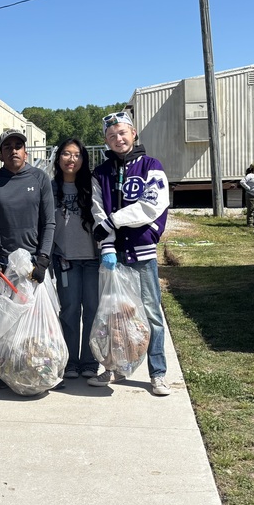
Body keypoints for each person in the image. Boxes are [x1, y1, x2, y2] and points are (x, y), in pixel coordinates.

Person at [89, 111, 172, 396]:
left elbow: (152, 205)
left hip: (143, 253)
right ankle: (114, 367)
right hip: (114, 255)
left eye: (122, 133)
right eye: (111, 136)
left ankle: (157, 373)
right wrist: (108, 244)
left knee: (151, 314)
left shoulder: (151, 166)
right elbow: (98, 210)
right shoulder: (100, 173)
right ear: (106, 141)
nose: (118, 139)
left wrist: (115, 220)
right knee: (114, 315)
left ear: (134, 133)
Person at [0, 129, 55, 389]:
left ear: (25, 150)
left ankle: (38, 369)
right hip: (5, 264)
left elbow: (49, 223)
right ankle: (7, 371)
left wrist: (43, 259)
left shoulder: (40, 178)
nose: (13, 150)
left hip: (33, 264)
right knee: (6, 324)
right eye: (7, 146)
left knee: (36, 323)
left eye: (18, 145)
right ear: (0, 153)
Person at [51, 138, 100, 380]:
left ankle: (89, 361)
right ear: (58, 157)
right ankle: (70, 361)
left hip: (92, 260)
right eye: (67, 154)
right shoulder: (49, 188)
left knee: (92, 309)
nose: (72, 159)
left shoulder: (92, 186)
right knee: (69, 310)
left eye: (77, 155)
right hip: (65, 260)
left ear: (83, 159)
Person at [239, 162, 254, 228]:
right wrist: (248, 188)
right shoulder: (249, 175)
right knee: (251, 209)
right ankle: (250, 223)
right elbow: (242, 182)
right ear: (253, 168)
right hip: (251, 195)